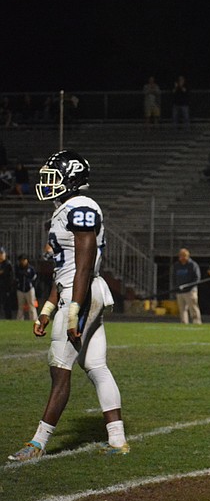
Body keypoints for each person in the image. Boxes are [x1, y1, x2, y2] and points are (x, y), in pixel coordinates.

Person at [9, 150, 129, 461]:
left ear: (71, 178)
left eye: (55, 176)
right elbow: (66, 268)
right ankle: (117, 439)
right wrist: (47, 309)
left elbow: (84, 264)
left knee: (60, 369)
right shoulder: (64, 210)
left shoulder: (81, 206)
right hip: (77, 290)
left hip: (82, 292)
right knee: (96, 366)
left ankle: (37, 443)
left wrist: (74, 308)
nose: (48, 182)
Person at [172, 248, 202, 325]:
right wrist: (176, 287)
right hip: (180, 291)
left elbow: (197, 278)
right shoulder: (177, 265)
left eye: (183, 256)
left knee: (193, 308)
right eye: (180, 256)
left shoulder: (192, 265)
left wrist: (189, 286)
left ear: (187, 256)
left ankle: (196, 322)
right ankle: (184, 323)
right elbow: (174, 277)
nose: (182, 258)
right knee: (182, 309)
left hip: (190, 291)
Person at [15, 254, 38, 321]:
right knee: (20, 306)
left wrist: (31, 284)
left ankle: (33, 319)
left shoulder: (31, 268)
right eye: (21, 260)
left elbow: (35, 277)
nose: (23, 261)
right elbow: (16, 278)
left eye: (24, 260)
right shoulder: (18, 268)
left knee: (31, 305)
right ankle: (19, 320)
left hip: (29, 289)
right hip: (20, 289)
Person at [0, 246, 13, 319]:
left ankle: (8, 318)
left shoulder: (7, 264)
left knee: (7, 305)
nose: (1, 255)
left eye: (2, 253)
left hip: (6, 288)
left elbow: (10, 276)